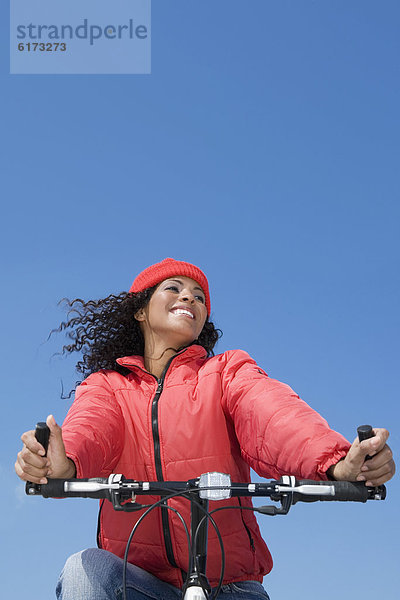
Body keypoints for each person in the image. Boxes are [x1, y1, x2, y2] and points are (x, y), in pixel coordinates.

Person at [15, 258, 395, 600]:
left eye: (199, 296)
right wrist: (62, 466)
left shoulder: (226, 373)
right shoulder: (109, 386)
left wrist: (338, 462)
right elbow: (91, 428)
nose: (190, 299)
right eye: (174, 289)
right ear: (140, 312)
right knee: (84, 571)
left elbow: (274, 417)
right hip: (140, 583)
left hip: (231, 586)